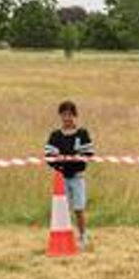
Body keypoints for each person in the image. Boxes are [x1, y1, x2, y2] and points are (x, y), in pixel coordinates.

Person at [45, 100, 95, 249]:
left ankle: (83, 236)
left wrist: (75, 159)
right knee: (63, 210)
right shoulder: (55, 135)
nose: (67, 118)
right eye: (64, 115)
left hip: (78, 177)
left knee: (79, 208)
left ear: (75, 116)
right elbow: (49, 156)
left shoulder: (82, 133)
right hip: (61, 179)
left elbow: (89, 153)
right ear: (60, 116)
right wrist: (59, 164)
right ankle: (66, 237)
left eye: (70, 115)